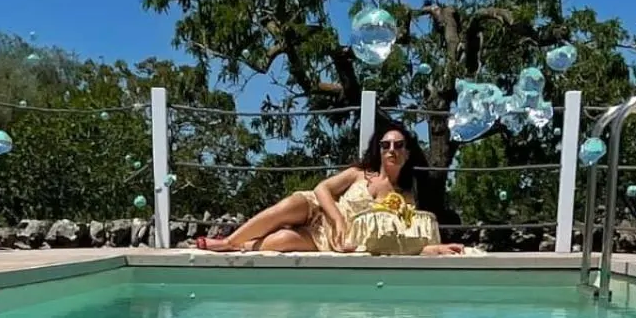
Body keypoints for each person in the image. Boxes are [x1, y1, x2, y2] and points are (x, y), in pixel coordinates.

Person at [196, 123, 464, 255]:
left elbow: (402, 238)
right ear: (378, 150)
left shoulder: (406, 195)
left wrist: (433, 249)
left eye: (398, 145)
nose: (391, 150)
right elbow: (323, 188)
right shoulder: (360, 173)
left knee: (280, 243)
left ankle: (242, 247)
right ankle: (228, 241)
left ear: (407, 152)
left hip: (332, 240)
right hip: (322, 212)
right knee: (292, 203)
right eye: (385, 145)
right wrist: (335, 217)